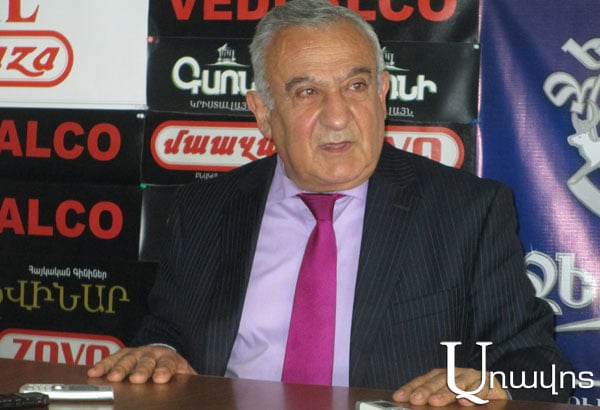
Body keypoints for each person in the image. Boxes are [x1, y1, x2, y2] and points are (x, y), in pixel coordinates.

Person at [89, 0, 572, 406]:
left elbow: (538, 365)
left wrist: (493, 383)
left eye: (356, 86)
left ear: (383, 94)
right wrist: (159, 350)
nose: (338, 116)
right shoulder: (204, 210)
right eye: (307, 92)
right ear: (263, 113)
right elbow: (168, 330)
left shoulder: (467, 211)